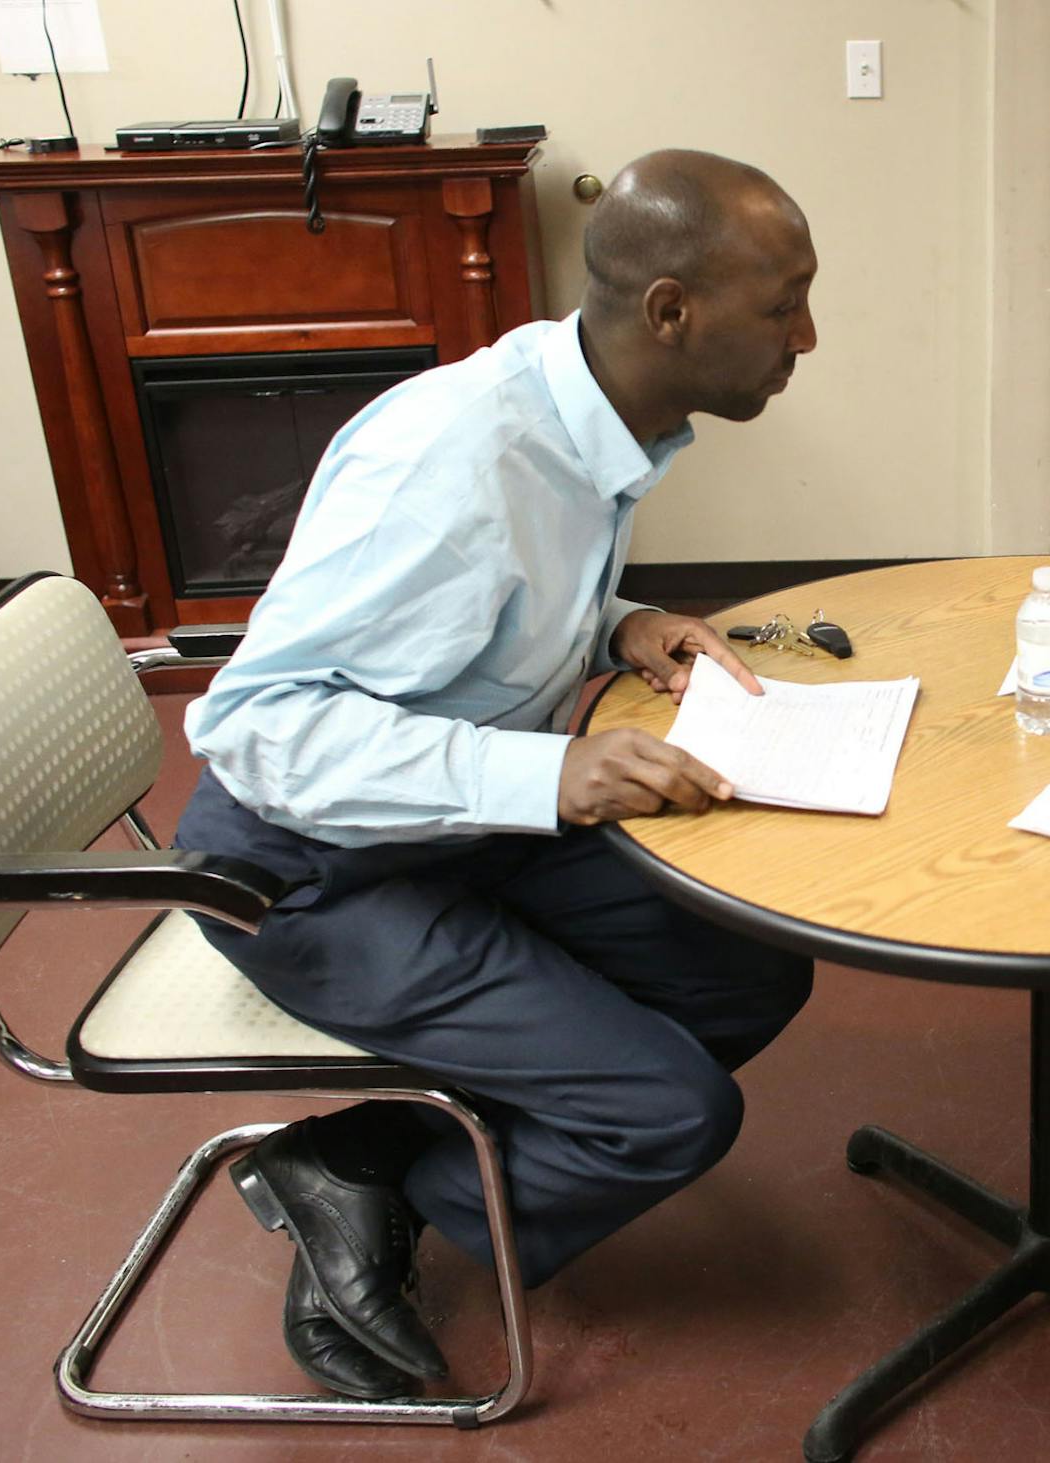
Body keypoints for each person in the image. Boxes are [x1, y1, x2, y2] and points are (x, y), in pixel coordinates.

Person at [174, 149, 821, 1399]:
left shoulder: (583, 406)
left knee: (752, 963)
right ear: (670, 311)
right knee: (670, 1111)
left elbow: (464, 626)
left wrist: (616, 624)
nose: (807, 332)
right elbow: (263, 730)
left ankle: (360, 1159)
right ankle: (399, 1193)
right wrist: (556, 773)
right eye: (782, 299)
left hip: (447, 826)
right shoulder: (454, 463)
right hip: (302, 868)